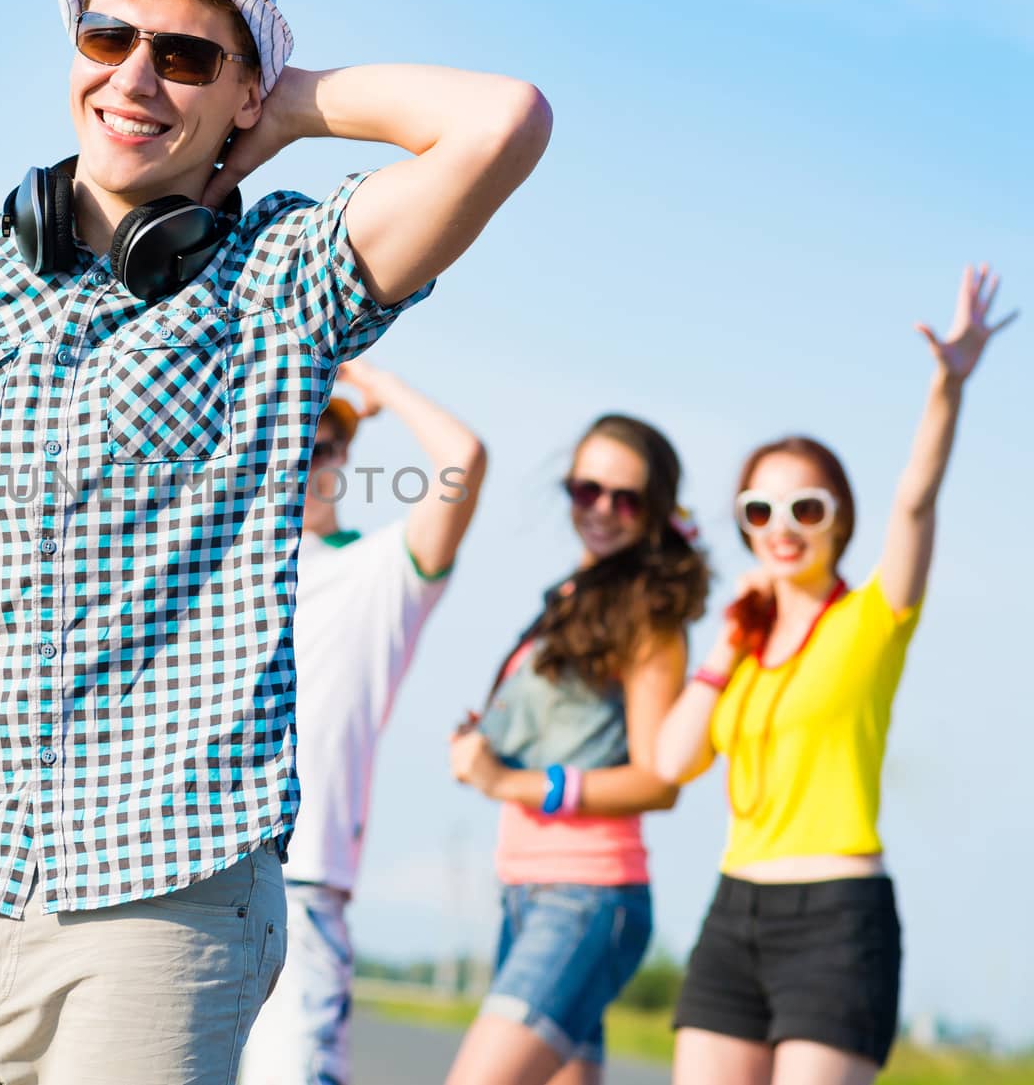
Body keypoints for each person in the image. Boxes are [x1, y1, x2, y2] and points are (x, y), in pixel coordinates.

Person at [0, 0, 552, 1085]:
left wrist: (290, 106)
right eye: (108, 38)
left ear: (242, 90)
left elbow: (504, 121)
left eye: (184, 56)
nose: (135, 76)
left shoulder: (286, 275)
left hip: (162, 904)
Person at [655, 266, 1016, 1085]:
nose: (782, 528)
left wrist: (947, 387)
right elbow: (672, 761)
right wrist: (724, 641)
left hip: (837, 919)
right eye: (760, 510)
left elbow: (916, 502)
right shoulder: (738, 647)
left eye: (806, 508)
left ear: (840, 518)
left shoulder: (873, 616)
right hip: (731, 909)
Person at [241, 356, 487, 1085]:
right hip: (191, 869)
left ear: (345, 458)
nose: (302, 461)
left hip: (302, 878)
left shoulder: (383, 572)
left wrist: (366, 377)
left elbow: (463, 459)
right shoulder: (218, 564)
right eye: (284, 441)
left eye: (321, 447)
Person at [447, 414, 710, 1085]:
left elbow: (660, 779)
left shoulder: (649, 616)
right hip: (525, 887)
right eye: (586, 489)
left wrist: (512, 784)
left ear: (655, 511)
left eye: (626, 498)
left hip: (587, 896)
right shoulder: (571, 595)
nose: (601, 509)